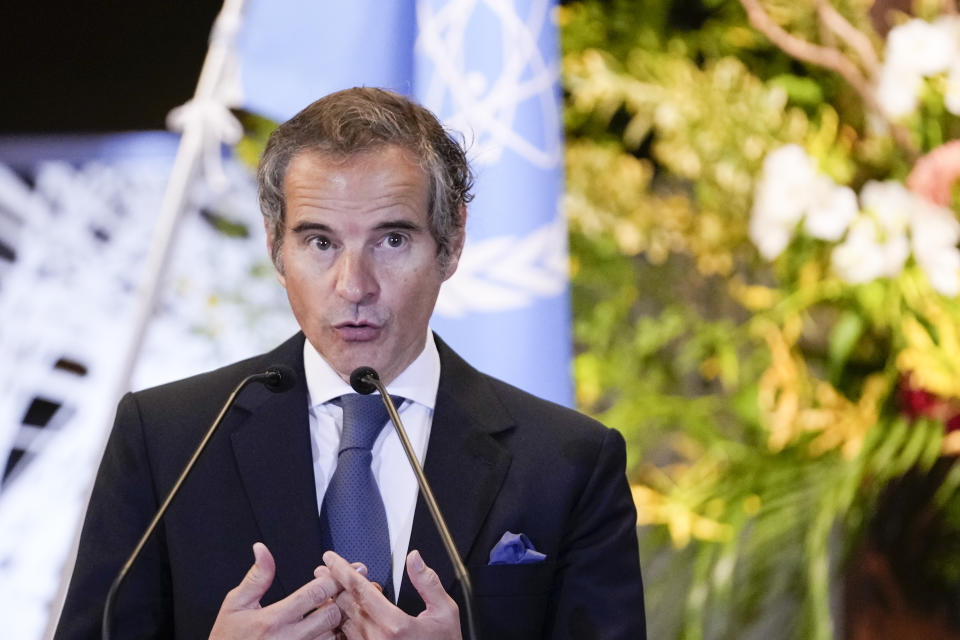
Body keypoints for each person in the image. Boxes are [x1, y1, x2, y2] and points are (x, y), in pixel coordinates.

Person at [54, 87, 646, 639]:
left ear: (452, 242)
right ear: (274, 246)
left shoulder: (568, 463)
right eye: (320, 242)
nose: (353, 285)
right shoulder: (168, 440)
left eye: (392, 240)